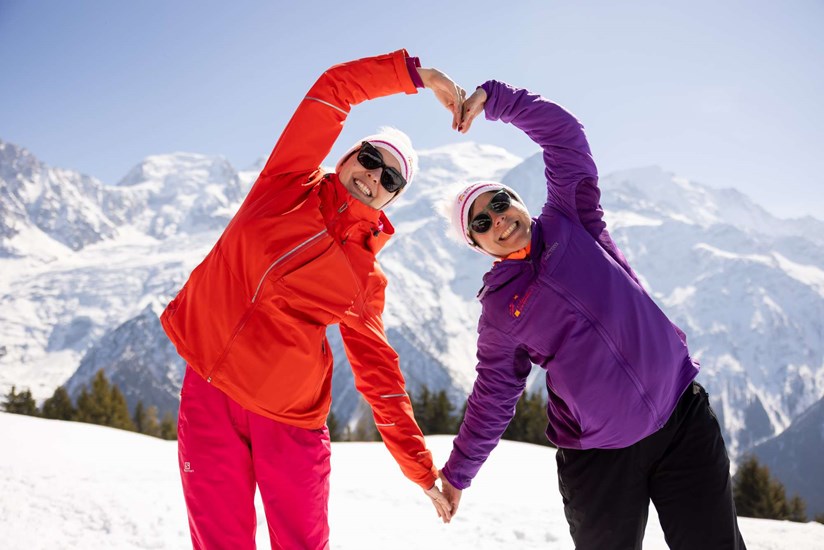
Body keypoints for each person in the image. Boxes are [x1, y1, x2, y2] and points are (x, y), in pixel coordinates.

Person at [161, 49, 462, 549]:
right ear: (347, 157)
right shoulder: (285, 182)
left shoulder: (364, 278)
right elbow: (335, 89)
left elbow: (380, 378)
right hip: (210, 395)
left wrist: (422, 471)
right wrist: (418, 75)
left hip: (290, 423)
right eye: (371, 159)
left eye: (390, 179)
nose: (374, 176)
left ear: (391, 201)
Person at [438, 81, 747, 549]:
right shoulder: (500, 309)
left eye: (499, 203)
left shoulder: (571, 218)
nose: (497, 219)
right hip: (600, 458)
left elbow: (564, 137)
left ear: (517, 201)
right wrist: (459, 472)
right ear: (477, 245)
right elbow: (493, 397)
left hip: (681, 418)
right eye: (481, 222)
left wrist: (496, 100)